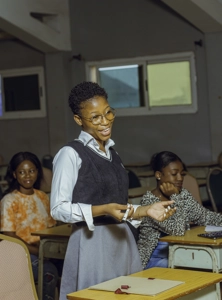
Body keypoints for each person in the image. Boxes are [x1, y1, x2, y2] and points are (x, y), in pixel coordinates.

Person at [50, 81, 176, 299]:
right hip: (92, 243)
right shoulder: (70, 154)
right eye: (95, 117)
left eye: (108, 113)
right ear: (79, 120)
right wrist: (102, 210)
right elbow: (58, 209)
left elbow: (117, 206)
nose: (105, 121)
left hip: (122, 239)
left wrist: (146, 210)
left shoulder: (113, 154)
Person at [137, 151, 222, 270]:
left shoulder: (182, 194)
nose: (180, 178)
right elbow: (178, 230)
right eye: (174, 174)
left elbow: (205, 216)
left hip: (178, 251)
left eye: (182, 174)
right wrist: (175, 197)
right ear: (158, 175)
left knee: (212, 263)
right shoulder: (149, 202)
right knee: (197, 267)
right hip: (154, 259)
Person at [0, 152, 59, 300]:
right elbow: (9, 237)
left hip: (43, 250)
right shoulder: (9, 200)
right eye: (22, 172)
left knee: (71, 265)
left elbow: (51, 228)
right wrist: (37, 250)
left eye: (31, 171)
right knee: (49, 271)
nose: (27, 176)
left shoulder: (43, 197)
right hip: (19, 254)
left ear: (38, 172)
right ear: (14, 174)